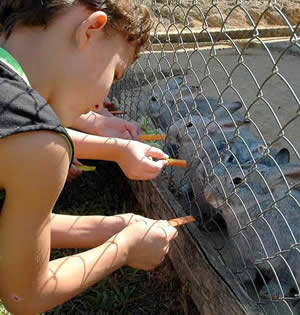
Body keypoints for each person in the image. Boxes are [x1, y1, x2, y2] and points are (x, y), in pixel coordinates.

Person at [0, 1, 178, 314]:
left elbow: (11, 228)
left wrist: (114, 227)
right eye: (115, 72)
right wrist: (123, 248)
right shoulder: (40, 145)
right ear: (92, 29)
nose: (100, 102)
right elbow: (25, 295)